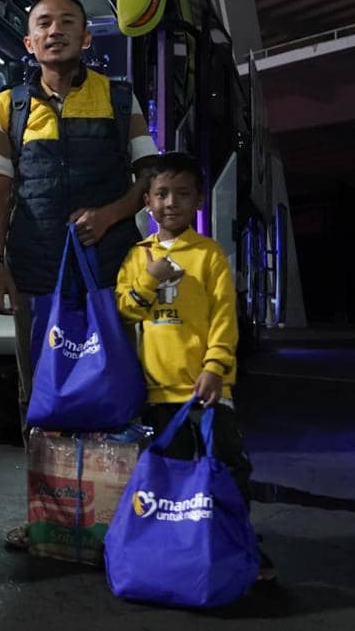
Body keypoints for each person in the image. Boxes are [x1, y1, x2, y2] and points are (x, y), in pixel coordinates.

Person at [0, 0, 159, 548]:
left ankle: (117, 514)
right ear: (30, 42)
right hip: (37, 270)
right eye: (44, 23)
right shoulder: (6, 106)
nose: (56, 31)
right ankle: (45, 518)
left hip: (111, 269)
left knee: (115, 382)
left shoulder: (119, 98)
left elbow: (150, 177)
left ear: (86, 36)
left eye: (67, 21)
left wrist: (112, 214)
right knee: (40, 392)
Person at [116, 152, 276, 582]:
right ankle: (178, 547)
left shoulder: (209, 255)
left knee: (227, 470)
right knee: (170, 476)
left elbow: (224, 318)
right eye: (162, 194)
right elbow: (125, 310)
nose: (171, 202)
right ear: (147, 201)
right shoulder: (137, 257)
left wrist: (215, 368)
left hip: (208, 391)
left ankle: (238, 542)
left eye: (183, 194)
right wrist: (151, 278)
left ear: (199, 201)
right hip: (157, 392)